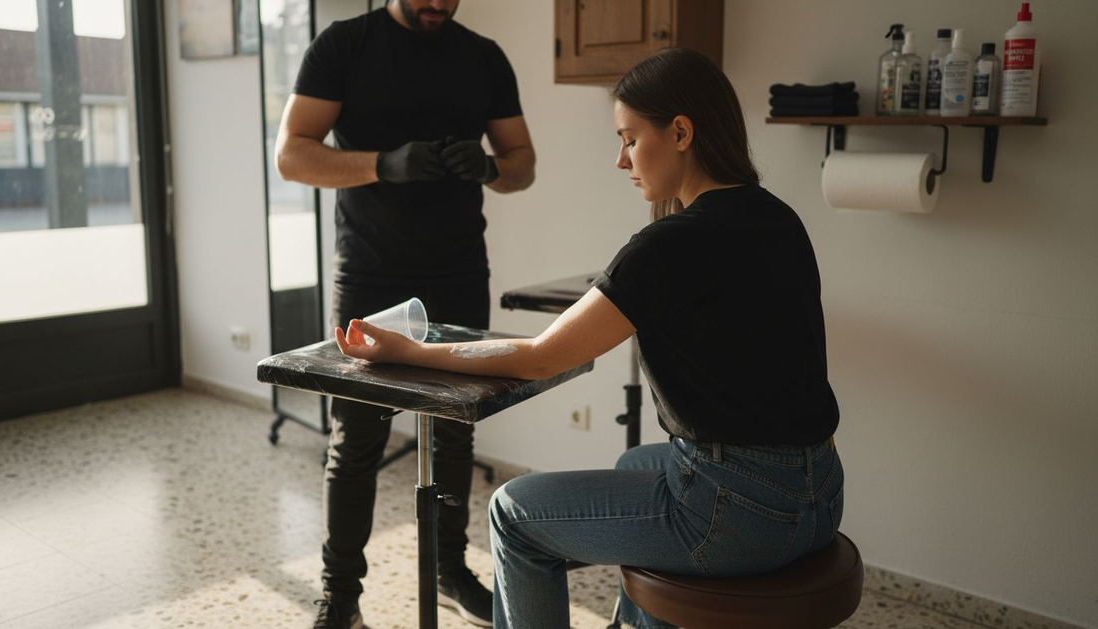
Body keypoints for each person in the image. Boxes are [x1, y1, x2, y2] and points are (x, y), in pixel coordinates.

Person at [335, 47, 842, 629]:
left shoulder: (669, 245)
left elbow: (539, 356)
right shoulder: (779, 218)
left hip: (738, 515)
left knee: (512, 512)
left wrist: (413, 351)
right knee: (634, 462)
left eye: (629, 138)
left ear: (680, 132)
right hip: (819, 492)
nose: (621, 159)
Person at [275, 1, 535, 627]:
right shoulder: (343, 47)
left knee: (455, 432)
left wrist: (492, 168)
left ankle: (449, 570)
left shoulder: (483, 57)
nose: (438, 4)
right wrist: (380, 165)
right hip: (371, 274)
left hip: (459, 272)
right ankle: (341, 596)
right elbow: (292, 155)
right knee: (357, 439)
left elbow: (522, 164)